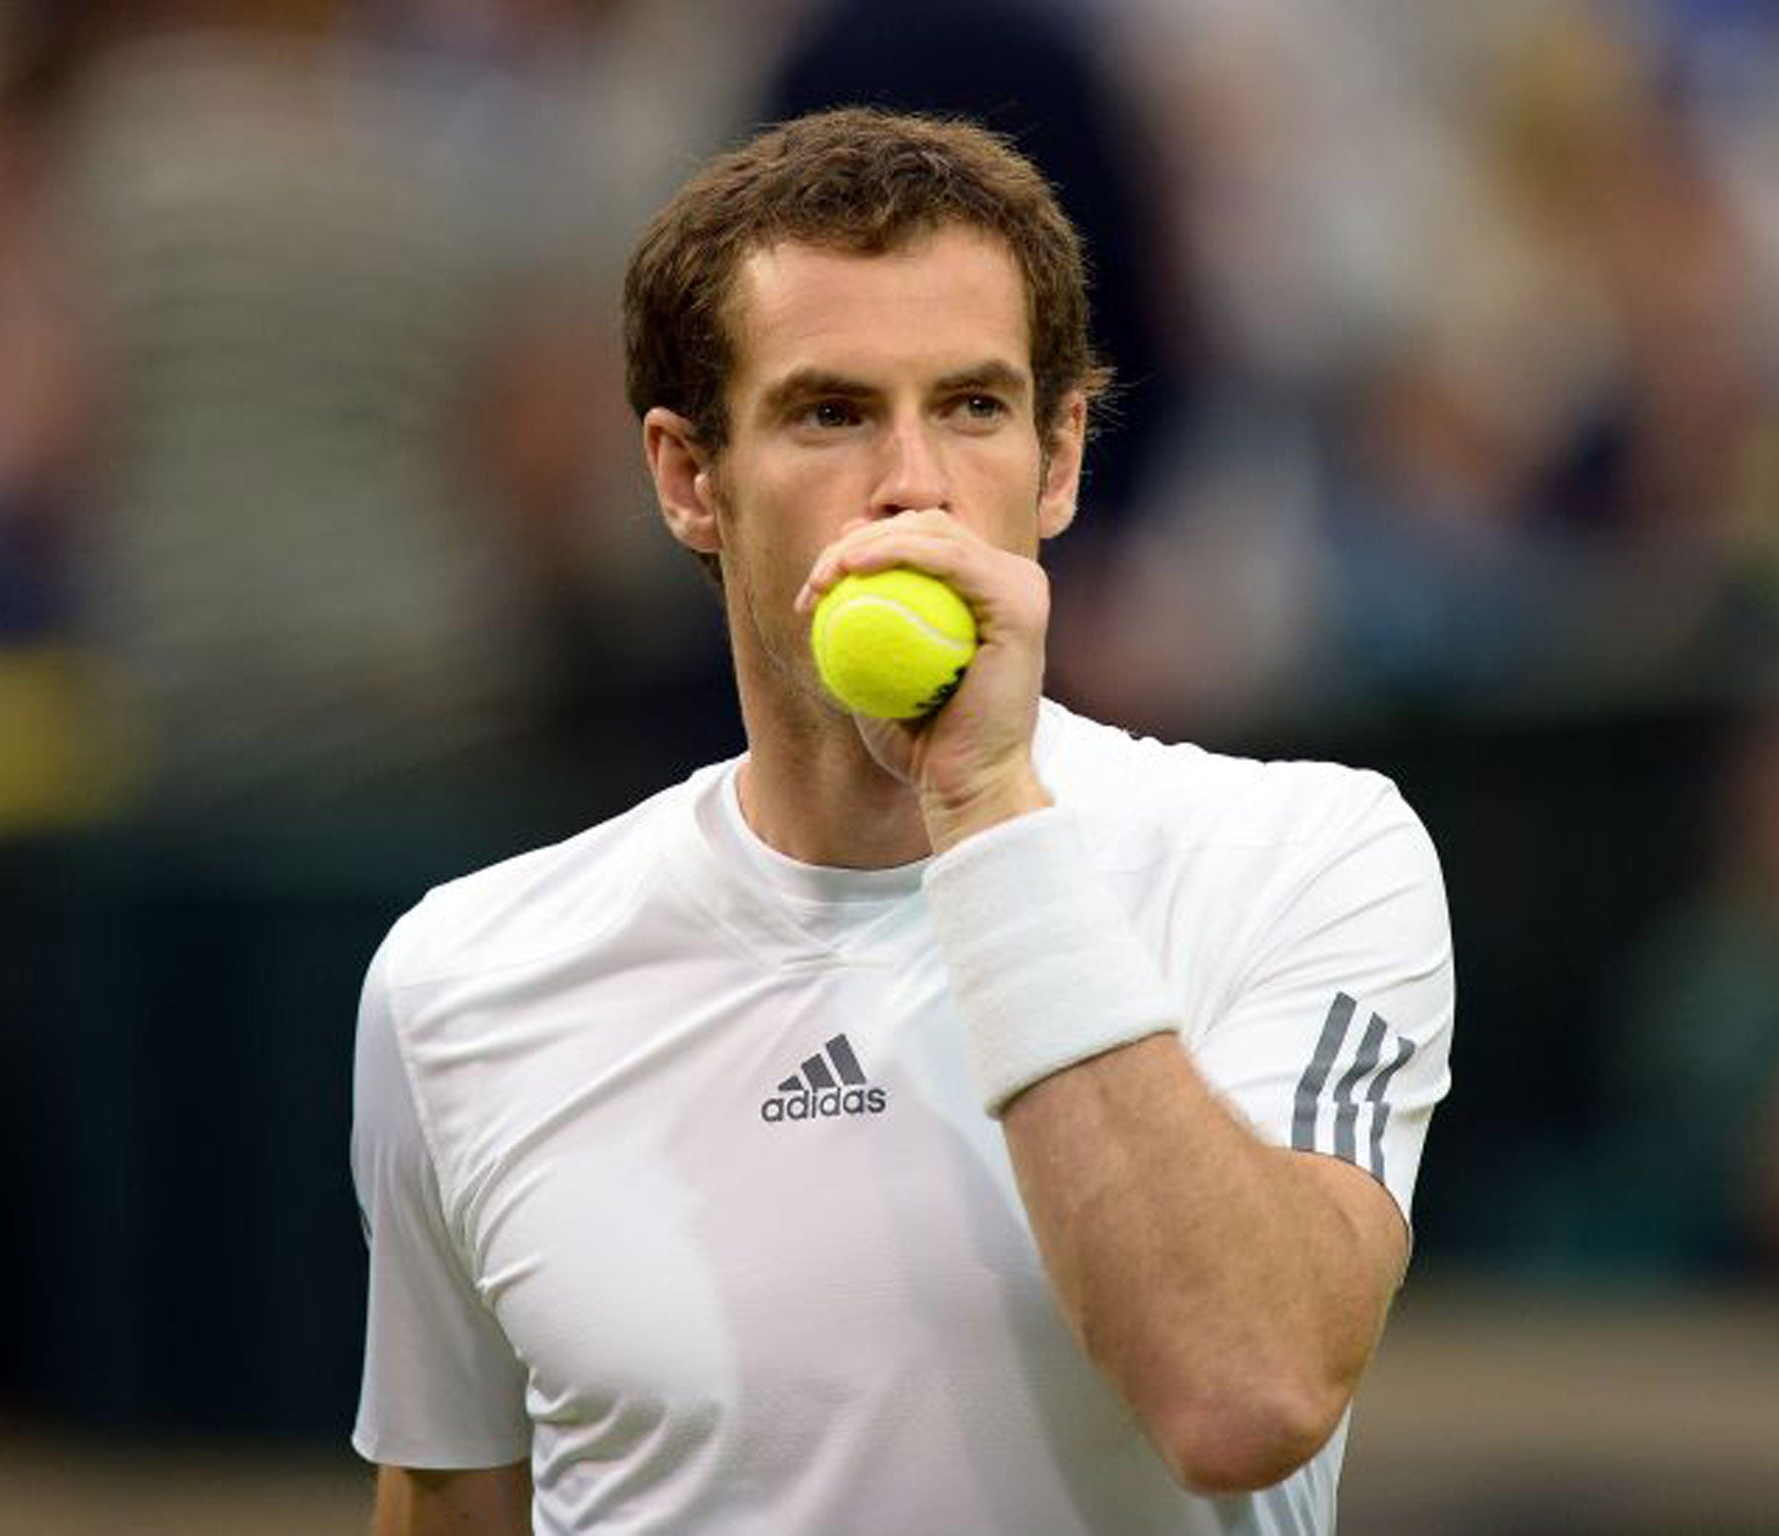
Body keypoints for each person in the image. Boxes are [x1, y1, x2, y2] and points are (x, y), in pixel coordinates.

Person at [350, 107, 1454, 1535]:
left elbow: (1244, 1395)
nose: (913, 485)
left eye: (975, 407)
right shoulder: (459, 981)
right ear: (692, 479)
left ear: (1059, 460)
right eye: (831, 413)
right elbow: (450, 1507)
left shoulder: (1308, 858)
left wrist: (987, 801)